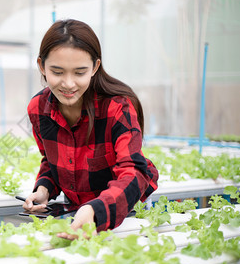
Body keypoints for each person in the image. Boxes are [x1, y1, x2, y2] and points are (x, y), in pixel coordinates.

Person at [23, 19, 159, 239]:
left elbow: (134, 171)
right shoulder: (38, 108)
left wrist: (96, 209)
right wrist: (43, 190)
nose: (68, 84)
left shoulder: (117, 107)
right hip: (79, 210)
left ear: (95, 67)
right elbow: (51, 160)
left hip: (127, 208)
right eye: (57, 72)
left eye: (79, 73)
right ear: (42, 66)